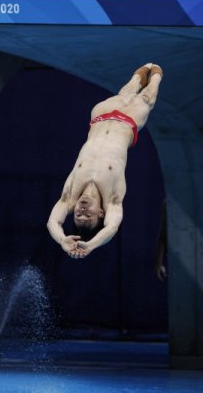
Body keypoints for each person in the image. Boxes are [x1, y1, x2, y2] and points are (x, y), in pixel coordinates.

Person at [47, 63, 163, 259]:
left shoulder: (69, 197)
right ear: (101, 213)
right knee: (146, 99)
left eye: (78, 215)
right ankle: (157, 74)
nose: (82, 211)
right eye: (88, 215)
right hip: (129, 122)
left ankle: (137, 78)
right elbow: (112, 228)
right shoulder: (113, 201)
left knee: (124, 96)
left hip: (100, 117)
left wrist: (62, 240)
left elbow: (52, 223)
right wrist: (91, 245)